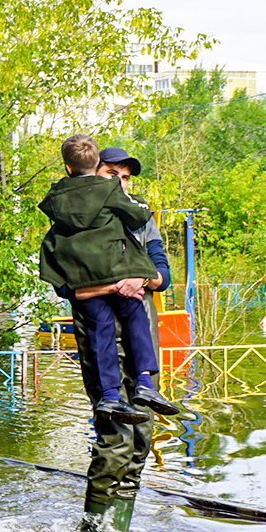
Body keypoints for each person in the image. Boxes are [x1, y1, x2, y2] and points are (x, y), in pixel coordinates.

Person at [38, 134, 177, 431]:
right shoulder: (80, 215)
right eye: (112, 175)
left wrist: (142, 277)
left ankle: (142, 386)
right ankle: (114, 399)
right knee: (114, 439)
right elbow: (62, 283)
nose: (120, 182)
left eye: (125, 177)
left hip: (137, 330)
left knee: (142, 433)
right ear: (96, 171)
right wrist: (112, 286)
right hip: (102, 325)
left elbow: (163, 274)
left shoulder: (63, 200)